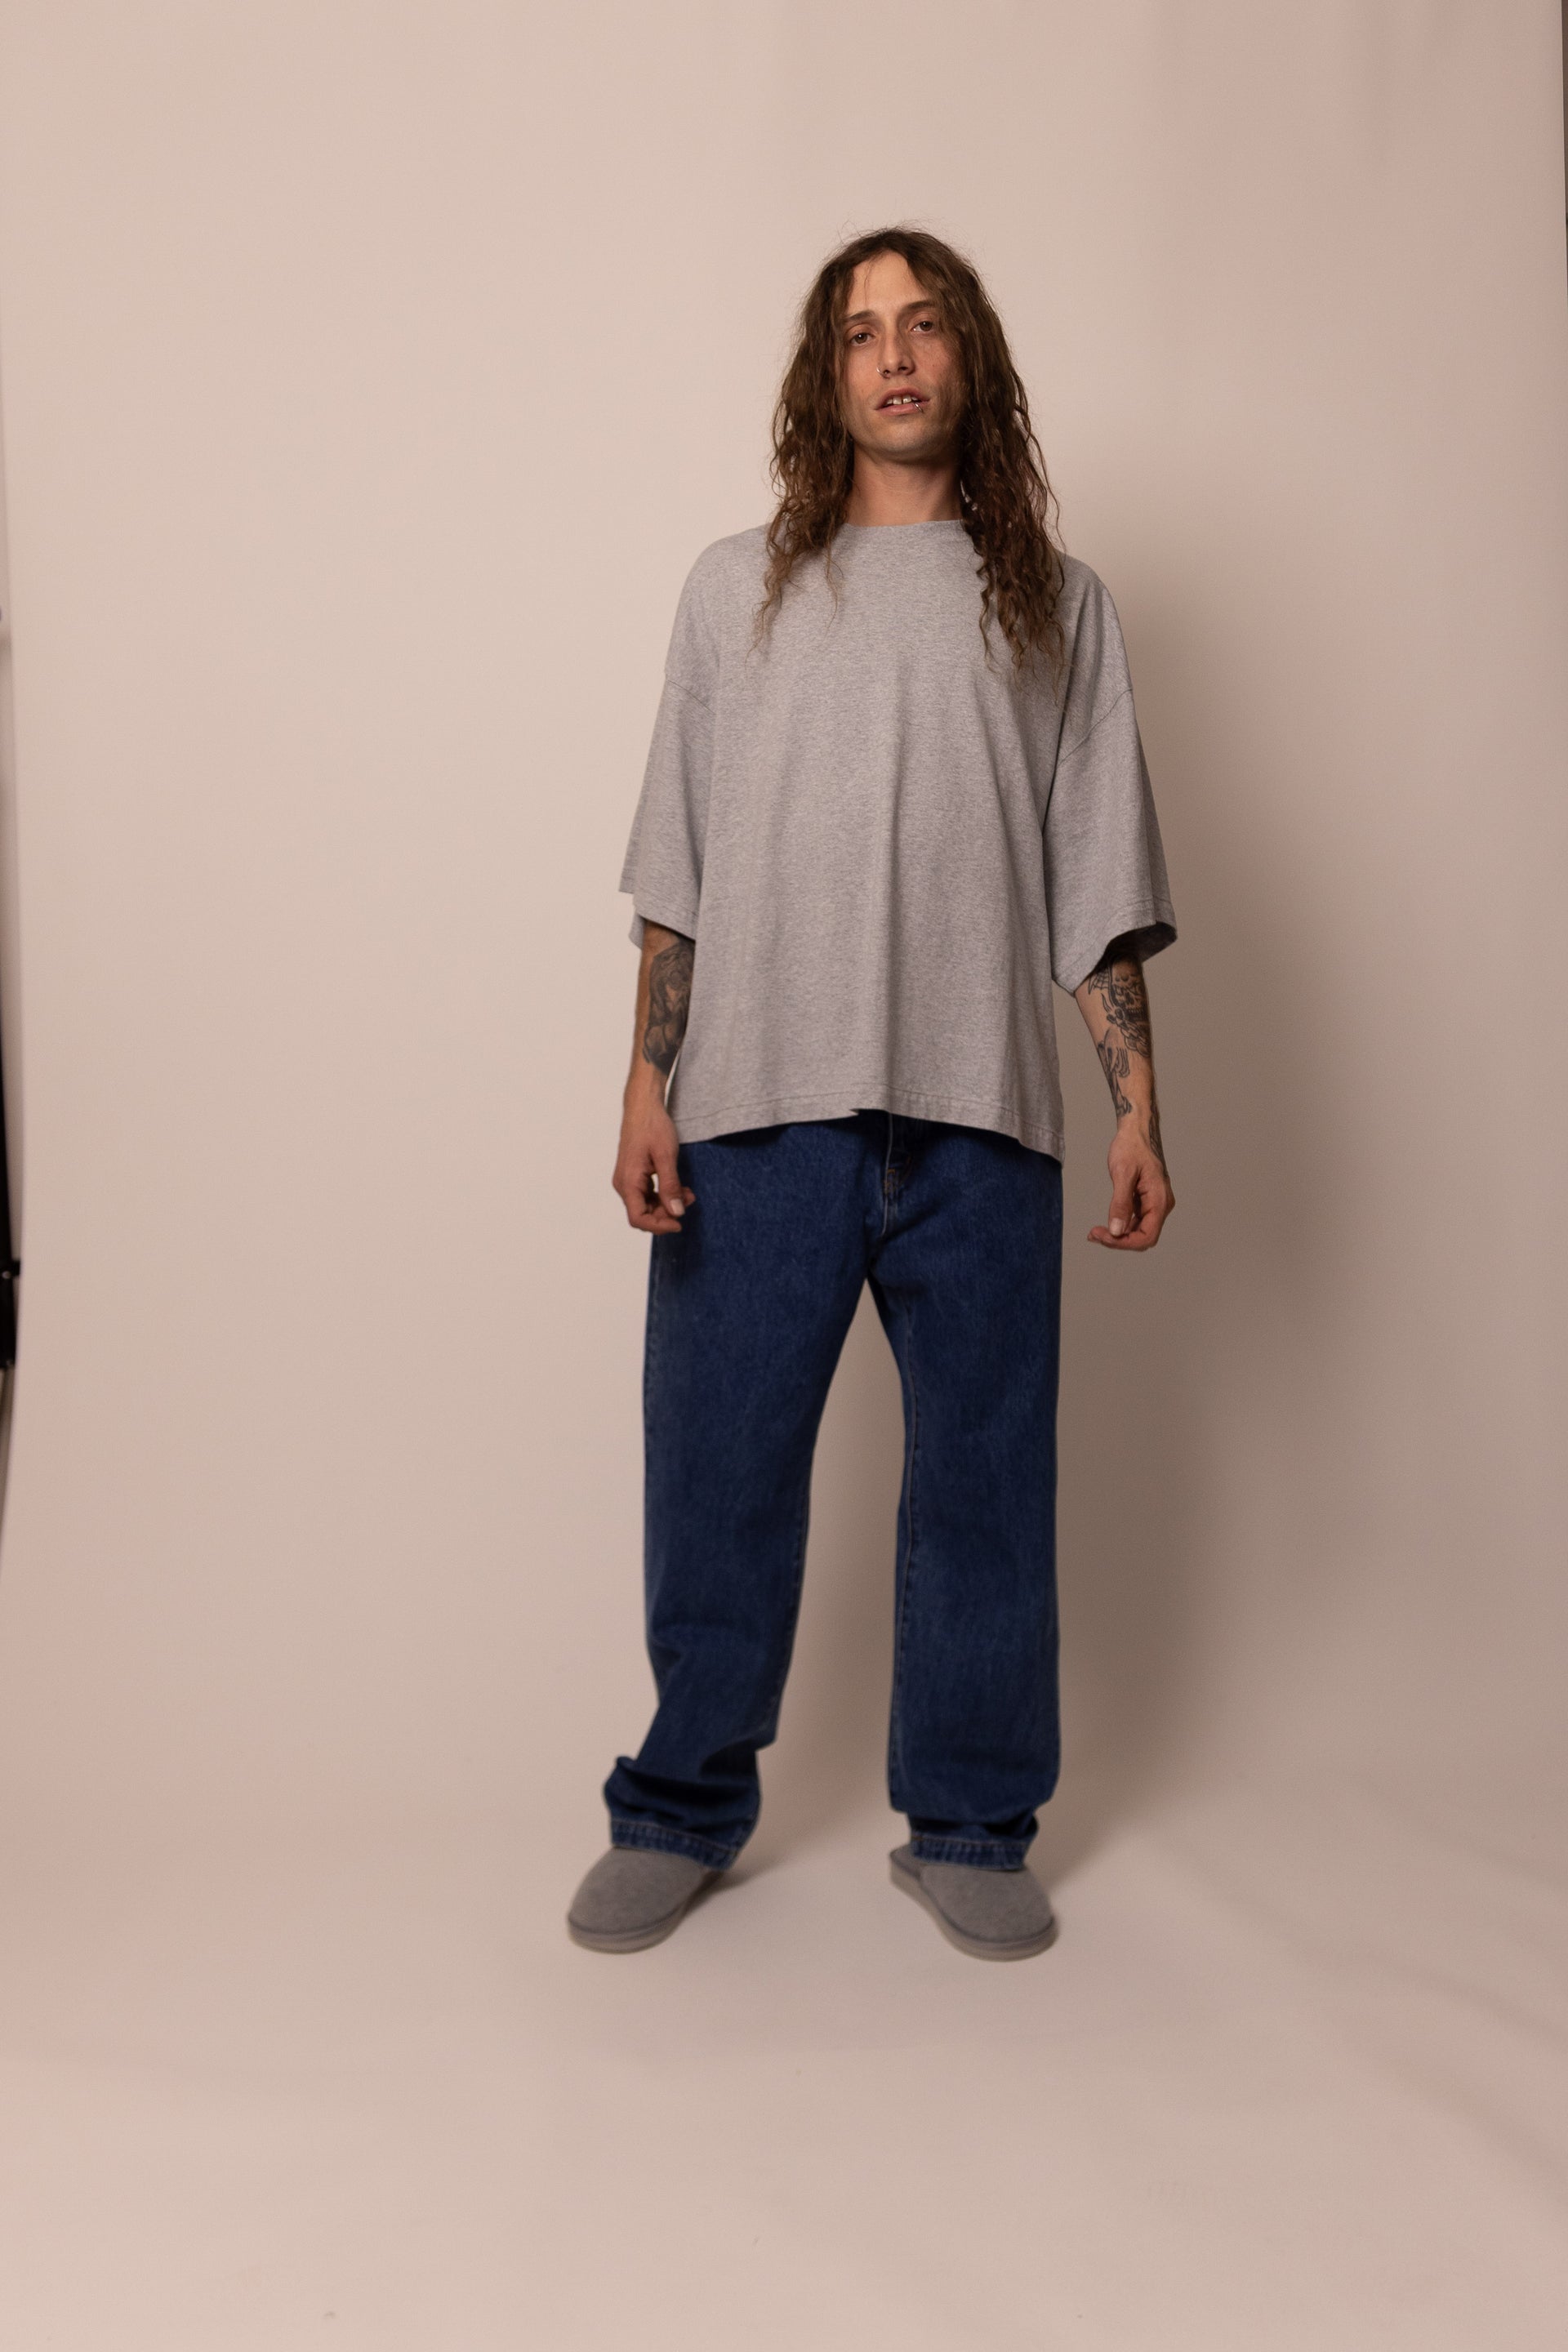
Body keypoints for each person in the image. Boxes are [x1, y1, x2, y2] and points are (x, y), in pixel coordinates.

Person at [568, 226, 1177, 1962]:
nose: (894, 355)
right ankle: (680, 1805)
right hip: (757, 1111)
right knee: (719, 1477)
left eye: (922, 325)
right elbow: (678, 866)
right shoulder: (734, 590)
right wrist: (645, 1079)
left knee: (987, 1487)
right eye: (858, 332)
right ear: (823, 376)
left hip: (982, 1117)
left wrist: (1139, 1103)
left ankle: (972, 1822)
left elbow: (1092, 882)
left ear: (969, 356)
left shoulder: (1057, 603)